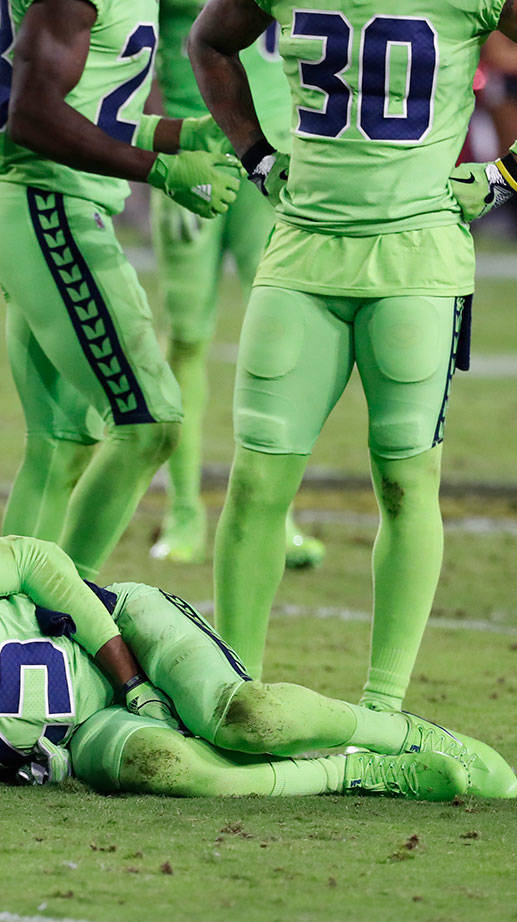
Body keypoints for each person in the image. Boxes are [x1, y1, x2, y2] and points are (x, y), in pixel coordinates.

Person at [190, 0, 517, 705]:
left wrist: (512, 172)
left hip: (416, 262)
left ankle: (382, 710)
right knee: (255, 483)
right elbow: (209, 43)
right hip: (302, 252)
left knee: (406, 484)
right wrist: (255, 155)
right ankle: (234, 695)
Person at [0, 532, 517, 800]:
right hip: (82, 729)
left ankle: (405, 729)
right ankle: (362, 772)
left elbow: (39, 561)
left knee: (249, 719)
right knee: (180, 769)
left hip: (116, 634)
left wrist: (134, 676)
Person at [0, 0, 244, 580]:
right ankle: (63, 614)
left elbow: (87, 109)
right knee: (149, 423)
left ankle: (5, 623)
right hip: (47, 203)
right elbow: (31, 114)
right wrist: (158, 170)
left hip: (51, 206)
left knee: (62, 442)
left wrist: (179, 135)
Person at [147, 0, 323, 568]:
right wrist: (157, 153)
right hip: (195, 155)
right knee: (188, 336)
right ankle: (183, 512)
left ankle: (279, 515)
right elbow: (130, 45)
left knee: (281, 339)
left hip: (274, 160)